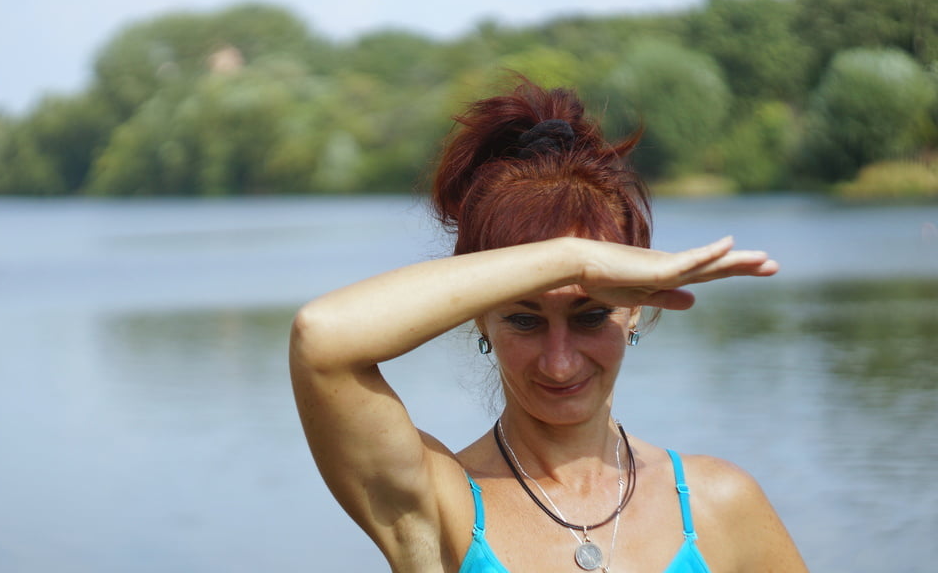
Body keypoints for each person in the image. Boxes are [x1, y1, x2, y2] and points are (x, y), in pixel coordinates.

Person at [290, 78, 807, 573]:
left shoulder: (722, 506)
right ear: (480, 318)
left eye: (590, 315)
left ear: (637, 308)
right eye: (523, 318)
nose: (559, 361)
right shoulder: (439, 506)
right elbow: (322, 337)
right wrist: (575, 260)